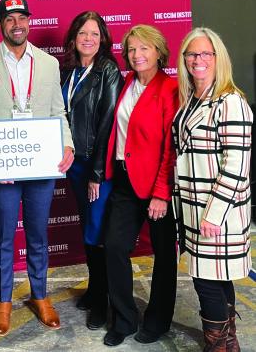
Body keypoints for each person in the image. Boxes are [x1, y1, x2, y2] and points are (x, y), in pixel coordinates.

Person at [0, 0, 74, 337]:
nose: (18, 24)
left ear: (29, 21)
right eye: (10, 19)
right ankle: (4, 301)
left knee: (39, 234)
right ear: (0, 24)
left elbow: (59, 112)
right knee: (3, 237)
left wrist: (67, 143)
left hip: (40, 166)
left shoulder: (48, 64)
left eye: (22, 18)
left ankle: (40, 295)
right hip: (4, 171)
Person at [173, 27, 252, 351]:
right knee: (217, 278)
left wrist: (214, 215)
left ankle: (219, 345)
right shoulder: (192, 97)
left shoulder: (231, 102)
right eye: (192, 54)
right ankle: (227, 341)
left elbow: (236, 166)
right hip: (194, 207)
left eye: (206, 54)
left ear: (219, 59)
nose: (198, 60)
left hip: (216, 212)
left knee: (206, 282)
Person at [103, 25, 178, 346]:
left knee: (164, 255)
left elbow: (171, 147)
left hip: (155, 185)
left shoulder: (171, 89)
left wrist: (161, 193)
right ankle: (124, 319)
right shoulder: (129, 83)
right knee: (115, 246)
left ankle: (158, 321)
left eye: (144, 48)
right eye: (131, 49)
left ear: (159, 52)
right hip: (123, 180)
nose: (137, 55)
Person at [60, 11, 123, 329]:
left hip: (98, 167)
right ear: (73, 37)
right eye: (83, 33)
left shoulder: (108, 71)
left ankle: (103, 300)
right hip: (76, 165)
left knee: (98, 231)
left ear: (103, 39)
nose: (88, 39)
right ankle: (95, 287)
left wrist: (98, 174)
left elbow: (109, 124)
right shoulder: (69, 71)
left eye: (95, 34)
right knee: (88, 229)